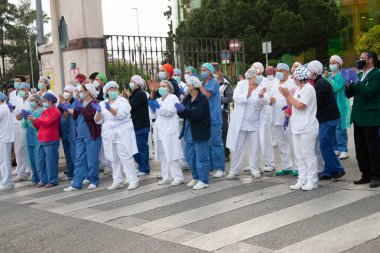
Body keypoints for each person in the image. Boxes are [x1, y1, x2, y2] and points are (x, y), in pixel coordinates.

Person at [343, 50, 380, 188]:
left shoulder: (377, 74)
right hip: (358, 116)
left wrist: (357, 81)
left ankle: (376, 175)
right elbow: (349, 94)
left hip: (370, 117)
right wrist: (348, 83)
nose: (359, 60)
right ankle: (366, 174)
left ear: (370, 60)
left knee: (372, 148)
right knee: (360, 149)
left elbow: (369, 93)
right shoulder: (360, 74)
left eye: (362, 58)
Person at [94, 81, 139, 191]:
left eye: (115, 88)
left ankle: (132, 179)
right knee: (113, 158)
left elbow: (120, 115)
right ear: (106, 92)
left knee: (125, 156)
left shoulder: (123, 101)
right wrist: (99, 111)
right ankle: (118, 180)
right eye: (110, 89)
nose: (113, 91)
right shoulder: (102, 103)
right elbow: (97, 120)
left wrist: (109, 109)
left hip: (122, 132)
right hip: (109, 134)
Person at [279, 66, 319, 191]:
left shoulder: (309, 89)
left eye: (294, 76)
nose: (293, 78)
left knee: (308, 154)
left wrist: (288, 95)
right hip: (296, 126)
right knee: (299, 155)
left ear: (300, 78)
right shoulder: (298, 89)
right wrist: (287, 97)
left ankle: (312, 180)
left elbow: (301, 105)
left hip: (308, 127)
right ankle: (302, 179)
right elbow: (293, 104)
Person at [226, 68, 269, 179]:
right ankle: (234, 170)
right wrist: (247, 95)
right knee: (237, 147)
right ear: (249, 77)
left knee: (255, 147)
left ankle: (254, 169)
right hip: (240, 123)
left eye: (259, 76)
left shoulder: (261, 87)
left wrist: (260, 96)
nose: (258, 78)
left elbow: (266, 101)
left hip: (255, 123)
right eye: (255, 76)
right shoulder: (241, 84)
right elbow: (235, 98)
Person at [308, 60, 346, 180]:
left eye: (309, 71)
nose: (307, 73)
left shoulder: (320, 84)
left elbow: (318, 104)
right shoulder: (320, 82)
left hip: (328, 119)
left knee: (325, 145)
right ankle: (328, 171)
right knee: (325, 145)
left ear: (314, 72)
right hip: (328, 118)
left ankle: (337, 170)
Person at [63, 82, 102, 191]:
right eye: (79, 92)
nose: (79, 94)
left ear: (88, 92)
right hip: (80, 136)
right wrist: (69, 108)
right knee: (79, 160)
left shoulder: (95, 103)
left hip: (92, 135)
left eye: (81, 91)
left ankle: (94, 180)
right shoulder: (79, 102)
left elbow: (91, 117)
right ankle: (76, 184)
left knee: (92, 159)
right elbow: (75, 116)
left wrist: (81, 109)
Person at [176, 76, 211, 190]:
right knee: (189, 156)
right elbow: (183, 114)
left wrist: (185, 111)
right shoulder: (187, 98)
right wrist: (180, 111)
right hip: (188, 131)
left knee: (201, 157)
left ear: (194, 86)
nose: (187, 87)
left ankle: (203, 180)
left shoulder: (202, 99)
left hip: (200, 131)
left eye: (189, 85)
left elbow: (198, 115)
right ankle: (195, 177)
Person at [149, 80, 184, 185]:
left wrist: (159, 107)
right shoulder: (159, 99)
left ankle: (178, 177)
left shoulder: (173, 97)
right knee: (163, 154)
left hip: (169, 130)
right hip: (160, 130)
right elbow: (154, 115)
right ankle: (166, 176)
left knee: (172, 153)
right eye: (160, 86)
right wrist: (153, 108)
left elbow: (170, 112)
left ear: (169, 88)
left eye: (163, 86)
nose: (161, 88)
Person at [29, 93, 61, 188]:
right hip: (41, 139)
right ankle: (43, 180)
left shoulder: (56, 111)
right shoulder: (44, 112)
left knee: (51, 160)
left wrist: (36, 120)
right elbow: (39, 125)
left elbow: (48, 123)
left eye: (44, 101)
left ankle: (53, 180)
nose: (43, 103)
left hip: (51, 139)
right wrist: (33, 121)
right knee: (40, 160)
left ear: (50, 101)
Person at [199, 63, 225, 177]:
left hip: (213, 117)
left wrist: (198, 87)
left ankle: (219, 168)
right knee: (206, 143)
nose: (202, 72)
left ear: (210, 71)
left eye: (205, 70)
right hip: (205, 117)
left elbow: (206, 95)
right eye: (201, 70)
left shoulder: (213, 83)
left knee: (215, 143)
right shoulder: (204, 83)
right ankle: (209, 167)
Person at [271, 63, 298, 176]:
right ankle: (286, 166)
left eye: (281, 70)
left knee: (293, 143)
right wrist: (269, 100)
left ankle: (298, 166)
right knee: (282, 144)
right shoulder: (274, 83)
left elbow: (295, 98)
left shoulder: (292, 83)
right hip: (277, 118)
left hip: (288, 118)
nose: (278, 72)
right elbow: (270, 97)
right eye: (277, 70)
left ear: (287, 72)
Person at [127, 75, 151, 176]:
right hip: (136, 124)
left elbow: (131, 106)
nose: (131, 83)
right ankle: (142, 166)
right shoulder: (135, 93)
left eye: (132, 81)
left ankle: (144, 168)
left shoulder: (140, 94)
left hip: (141, 125)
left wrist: (128, 97)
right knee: (135, 147)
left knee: (142, 147)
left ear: (137, 83)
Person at [328, 55, 351, 160]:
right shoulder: (328, 74)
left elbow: (336, 87)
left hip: (340, 104)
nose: (332, 65)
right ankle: (335, 148)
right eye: (330, 63)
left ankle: (343, 149)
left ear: (339, 64)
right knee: (332, 127)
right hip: (331, 105)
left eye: (334, 63)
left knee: (340, 128)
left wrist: (327, 79)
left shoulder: (342, 74)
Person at [212, 62, 233, 163]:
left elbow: (229, 98)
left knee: (223, 133)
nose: (212, 74)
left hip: (222, 111)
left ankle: (226, 153)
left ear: (219, 71)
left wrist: (218, 99)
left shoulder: (226, 83)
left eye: (214, 71)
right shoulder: (207, 82)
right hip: (210, 111)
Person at [20, 94, 43, 186]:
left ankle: (42, 178)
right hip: (29, 138)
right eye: (30, 100)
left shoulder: (41, 111)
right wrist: (25, 118)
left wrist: (29, 119)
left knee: (38, 158)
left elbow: (36, 125)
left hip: (37, 137)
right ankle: (35, 177)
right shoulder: (30, 111)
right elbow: (23, 125)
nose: (30, 102)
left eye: (32, 100)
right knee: (31, 159)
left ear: (37, 102)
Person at [13, 82, 32, 182]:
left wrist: (24, 116)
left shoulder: (32, 99)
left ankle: (34, 173)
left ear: (27, 89)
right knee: (20, 150)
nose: (20, 91)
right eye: (19, 89)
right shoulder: (19, 100)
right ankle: (21, 173)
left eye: (22, 89)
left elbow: (33, 113)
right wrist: (22, 116)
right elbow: (17, 115)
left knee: (31, 151)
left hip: (31, 128)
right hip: (21, 128)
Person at [58, 84, 77, 181]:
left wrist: (66, 107)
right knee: (67, 153)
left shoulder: (74, 102)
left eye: (67, 91)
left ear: (72, 93)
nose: (65, 93)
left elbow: (67, 116)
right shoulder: (62, 103)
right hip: (64, 130)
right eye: (64, 90)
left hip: (71, 131)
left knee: (73, 153)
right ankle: (70, 172)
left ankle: (75, 172)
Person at [0, 91, 15, 190]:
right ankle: (7, 181)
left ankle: (7, 182)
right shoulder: (4, 107)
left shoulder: (2, 108)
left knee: (4, 161)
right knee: (4, 160)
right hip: (4, 136)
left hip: (4, 137)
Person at [264, 66, 279, 147]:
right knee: (268, 122)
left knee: (274, 122)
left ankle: (275, 139)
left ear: (273, 72)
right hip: (267, 103)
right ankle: (269, 139)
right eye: (267, 72)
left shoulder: (277, 80)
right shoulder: (264, 80)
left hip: (274, 103)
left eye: (270, 72)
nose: (268, 74)